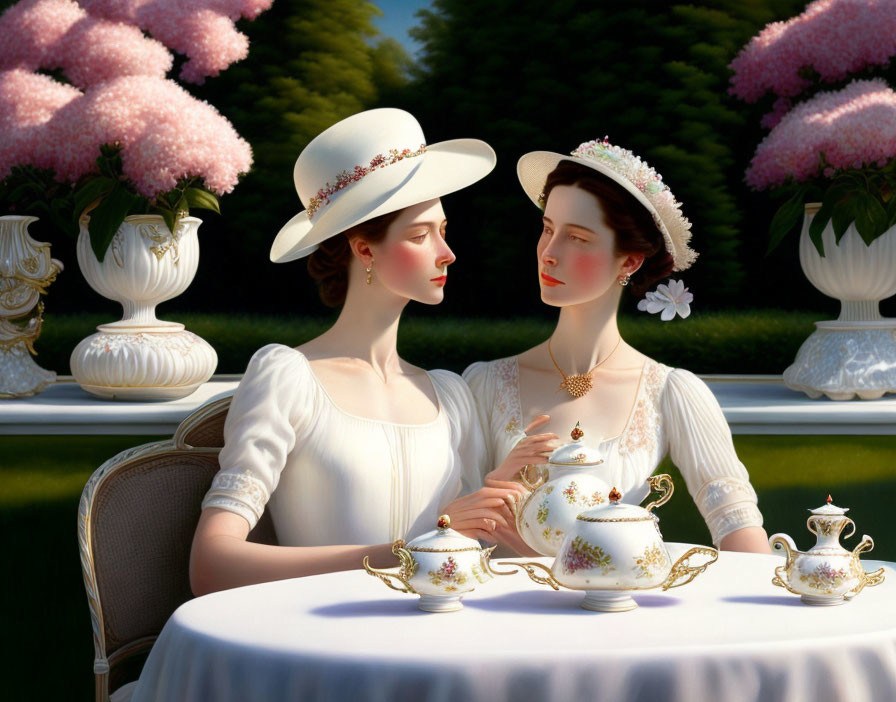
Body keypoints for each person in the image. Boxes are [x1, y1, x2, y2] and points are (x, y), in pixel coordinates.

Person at [190, 108, 524, 596]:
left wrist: (516, 499)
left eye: (443, 230)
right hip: (324, 640)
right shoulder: (289, 376)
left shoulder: (449, 395)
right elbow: (212, 565)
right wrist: (406, 552)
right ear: (364, 250)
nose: (447, 253)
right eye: (419, 235)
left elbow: (471, 551)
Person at [464, 137, 771, 554]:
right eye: (548, 229)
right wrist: (493, 489)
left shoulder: (669, 391)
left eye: (577, 238)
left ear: (628, 261)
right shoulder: (484, 383)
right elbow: (446, 529)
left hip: (616, 611)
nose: (549, 253)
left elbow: (741, 534)